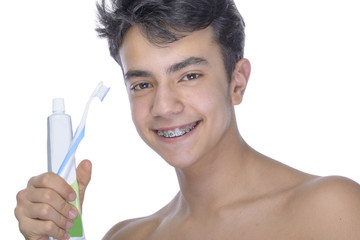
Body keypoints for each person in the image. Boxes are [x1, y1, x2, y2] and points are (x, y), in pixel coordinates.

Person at [15, 0, 360, 239]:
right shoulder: (127, 237)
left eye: (189, 76)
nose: (163, 106)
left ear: (237, 82)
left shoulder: (332, 210)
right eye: (143, 84)